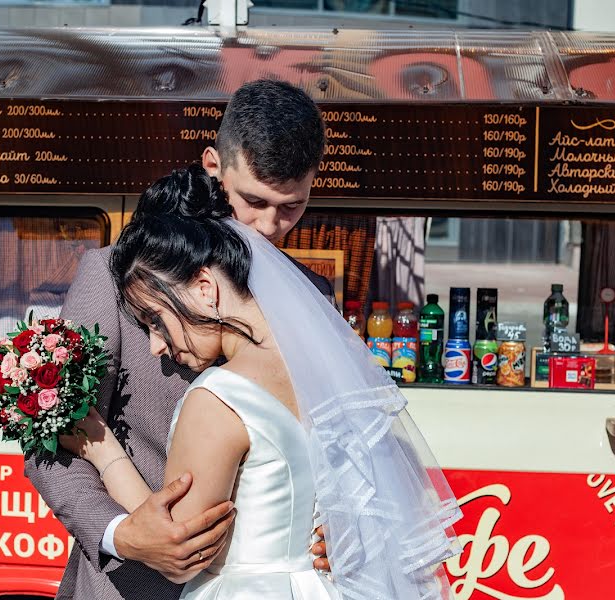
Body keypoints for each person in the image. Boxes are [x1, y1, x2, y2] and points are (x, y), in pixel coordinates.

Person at [71, 164, 462, 599]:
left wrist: (105, 452)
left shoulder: (219, 398)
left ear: (204, 287)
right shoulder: (323, 368)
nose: (155, 346)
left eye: (157, 321)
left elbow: (179, 546)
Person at [25, 79, 333, 600]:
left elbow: (339, 445)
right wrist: (123, 535)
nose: (268, 227)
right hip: (125, 587)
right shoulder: (114, 276)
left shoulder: (314, 296)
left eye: (291, 208)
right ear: (213, 166)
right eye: (254, 201)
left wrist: (341, 527)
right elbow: (52, 438)